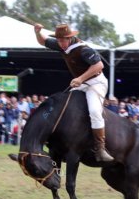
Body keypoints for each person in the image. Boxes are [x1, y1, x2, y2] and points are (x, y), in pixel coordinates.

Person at [34, 22, 114, 162]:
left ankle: (100, 149)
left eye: (63, 40)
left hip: (96, 83)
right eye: (59, 40)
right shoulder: (60, 44)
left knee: (95, 111)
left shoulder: (84, 49)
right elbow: (43, 41)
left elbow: (99, 65)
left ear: (69, 38)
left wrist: (81, 78)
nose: (61, 44)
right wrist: (37, 32)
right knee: (60, 106)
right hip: (80, 83)